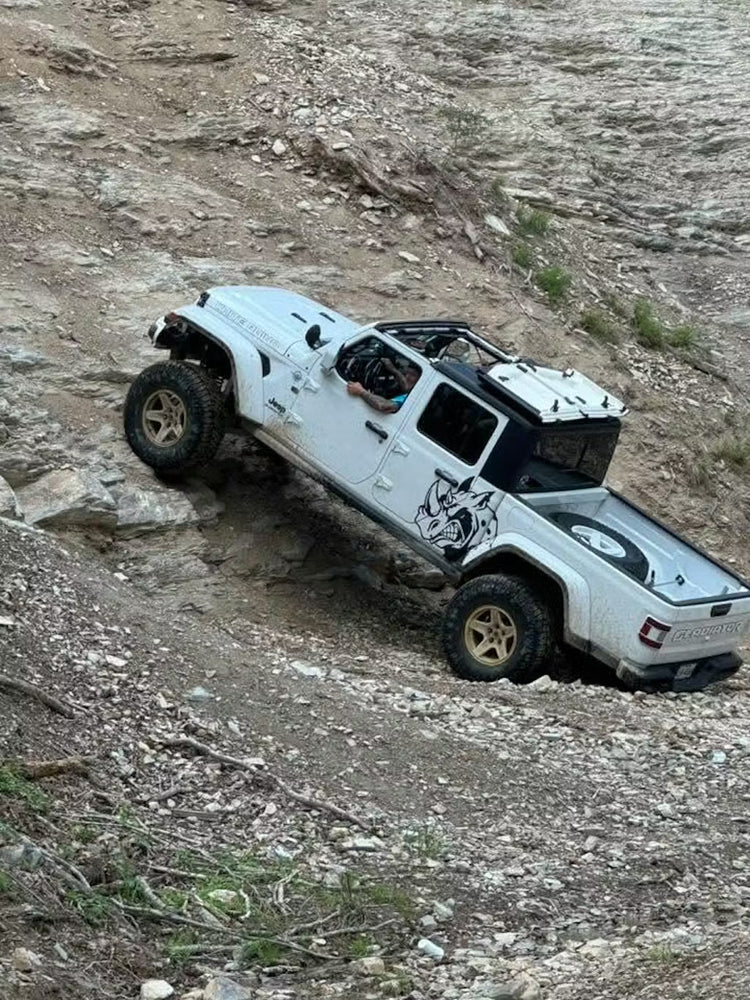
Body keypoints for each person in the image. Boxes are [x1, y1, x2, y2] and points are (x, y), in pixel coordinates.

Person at [346, 361, 420, 414]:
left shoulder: (409, 398)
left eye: (413, 375)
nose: (407, 377)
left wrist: (361, 391)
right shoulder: (406, 392)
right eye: (406, 373)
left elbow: (383, 405)